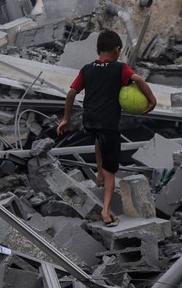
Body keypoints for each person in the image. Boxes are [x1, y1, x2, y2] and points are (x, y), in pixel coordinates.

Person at [56, 30, 157, 227]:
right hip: (109, 124)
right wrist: (152, 101)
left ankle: (99, 174)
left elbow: (70, 94)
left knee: (97, 139)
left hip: (90, 121)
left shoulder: (87, 69)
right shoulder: (120, 68)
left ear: (98, 49)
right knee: (113, 171)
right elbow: (138, 79)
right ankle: (106, 212)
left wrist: (66, 119)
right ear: (117, 50)